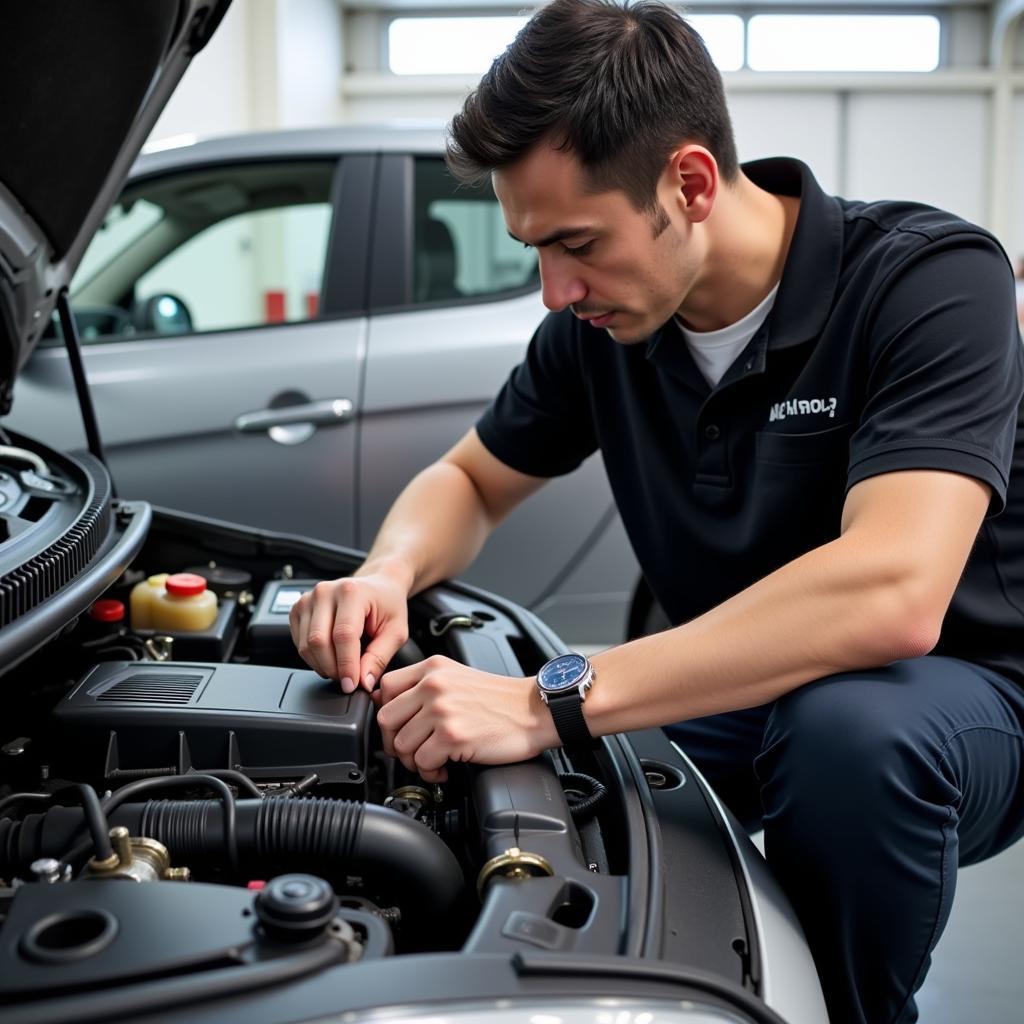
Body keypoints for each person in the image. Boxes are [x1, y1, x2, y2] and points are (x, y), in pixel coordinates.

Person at [290, 2, 1024, 1021]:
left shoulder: (929, 282)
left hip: (957, 696)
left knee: (846, 734)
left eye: (577, 243)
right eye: (533, 250)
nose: (554, 291)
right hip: (749, 678)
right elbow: (466, 480)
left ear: (689, 183)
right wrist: (385, 572)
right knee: (535, 767)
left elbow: (895, 595)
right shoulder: (603, 332)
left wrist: (547, 698)